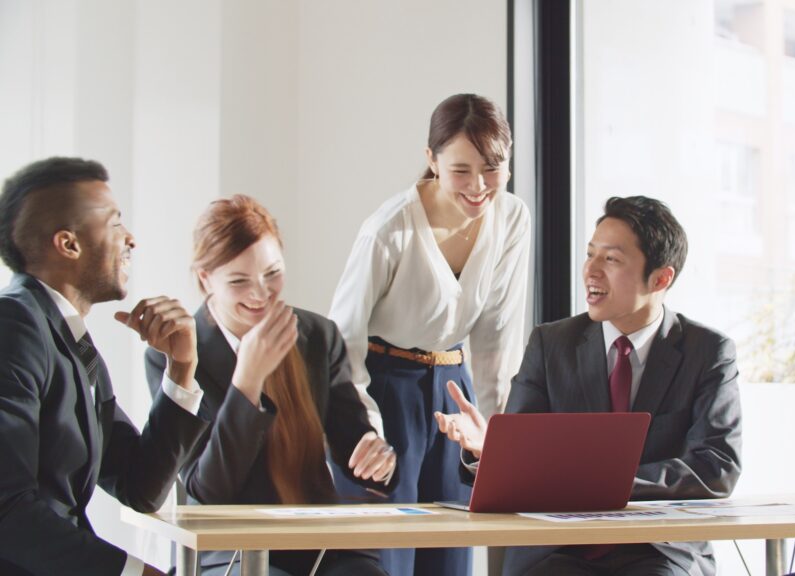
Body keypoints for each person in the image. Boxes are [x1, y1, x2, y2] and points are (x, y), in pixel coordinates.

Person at [437, 196, 742, 576]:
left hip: (658, 549)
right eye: (589, 254)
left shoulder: (708, 352)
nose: (590, 271)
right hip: (555, 551)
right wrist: (491, 450)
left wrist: (605, 485)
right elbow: (520, 465)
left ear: (661, 278)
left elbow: (716, 466)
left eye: (611, 259)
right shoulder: (551, 344)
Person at [329, 93, 531, 576]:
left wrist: (496, 441)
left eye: (493, 167)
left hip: (454, 392)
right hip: (383, 386)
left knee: (453, 546)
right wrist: (366, 429)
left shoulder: (512, 218)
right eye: (461, 169)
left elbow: (498, 338)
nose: (479, 186)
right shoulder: (388, 229)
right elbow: (343, 342)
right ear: (431, 161)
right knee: (386, 552)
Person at [144, 195, 397, 576]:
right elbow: (207, 491)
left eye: (273, 273)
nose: (260, 293)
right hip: (228, 548)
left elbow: (354, 448)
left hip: (318, 543)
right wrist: (247, 382)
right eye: (239, 281)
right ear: (204, 279)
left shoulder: (316, 336)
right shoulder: (176, 353)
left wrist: (376, 458)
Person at [0, 157, 209, 576]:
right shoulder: (15, 326)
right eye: (115, 224)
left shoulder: (66, 337)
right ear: (69, 244)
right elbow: (7, 510)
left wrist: (181, 367)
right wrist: (135, 573)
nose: (131, 238)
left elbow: (139, 486)